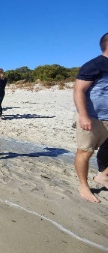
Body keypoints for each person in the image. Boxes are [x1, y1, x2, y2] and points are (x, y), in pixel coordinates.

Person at [73, 32, 108, 203]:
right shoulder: (94, 65)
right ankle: (83, 185)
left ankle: (102, 176)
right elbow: (78, 90)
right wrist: (83, 116)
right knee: (85, 152)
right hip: (93, 118)